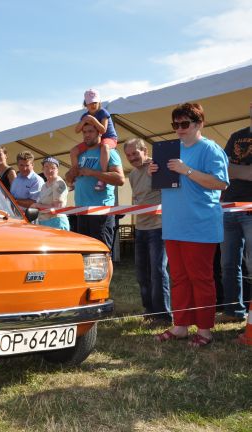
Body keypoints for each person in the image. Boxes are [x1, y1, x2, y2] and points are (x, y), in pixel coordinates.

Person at [149, 103, 229, 347]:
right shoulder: (171, 150)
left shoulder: (210, 149)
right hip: (174, 224)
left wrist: (187, 170)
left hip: (200, 225)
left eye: (185, 124)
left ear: (199, 124)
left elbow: (221, 184)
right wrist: (156, 171)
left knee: (201, 278)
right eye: (176, 125)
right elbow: (172, 185)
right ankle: (180, 326)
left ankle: (205, 330)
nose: (179, 129)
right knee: (179, 278)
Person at [124, 138, 171, 325]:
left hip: (159, 226)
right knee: (142, 273)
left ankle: (164, 315)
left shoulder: (158, 165)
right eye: (128, 155)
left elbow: (171, 190)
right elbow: (137, 200)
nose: (132, 158)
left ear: (144, 150)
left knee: (158, 271)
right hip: (141, 228)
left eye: (135, 153)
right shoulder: (133, 175)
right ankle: (150, 310)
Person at [218, 102, 252, 324]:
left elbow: (233, 169)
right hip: (228, 207)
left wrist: (235, 170)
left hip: (250, 209)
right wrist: (243, 171)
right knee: (228, 264)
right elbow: (222, 168)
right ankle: (233, 311)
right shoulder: (236, 136)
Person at [68, 123, 125, 248]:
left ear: (99, 132)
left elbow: (120, 179)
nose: (87, 135)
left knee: (101, 253)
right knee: (85, 254)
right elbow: (69, 180)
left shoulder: (109, 152)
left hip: (101, 211)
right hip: (81, 211)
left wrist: (92, 173)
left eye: (90, 131)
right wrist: (71, 172)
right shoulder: (79, 154)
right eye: (84, 132)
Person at [68, 89, 118, 191]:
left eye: (95, 102)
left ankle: (103, 177)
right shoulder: (85, 116)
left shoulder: (103, 112)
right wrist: (84, 121)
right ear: (85, 104)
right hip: (94, 141)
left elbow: (103, 130)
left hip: (109, 138)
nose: (93, 105)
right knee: (73, 151)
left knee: (105, 146)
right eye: (90, 103)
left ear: (99, 102)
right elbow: (77, 130)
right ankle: (76, 175)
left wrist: (94, 120)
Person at [31, 156, 69, 230]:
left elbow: (57, 208)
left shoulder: (59, 183)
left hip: (56, 222)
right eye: (46, 167)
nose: (49, 170)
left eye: (53, 167)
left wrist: (37, 205)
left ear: (57, 170)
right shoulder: (44, 186)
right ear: (42, 169)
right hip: (43, 223)